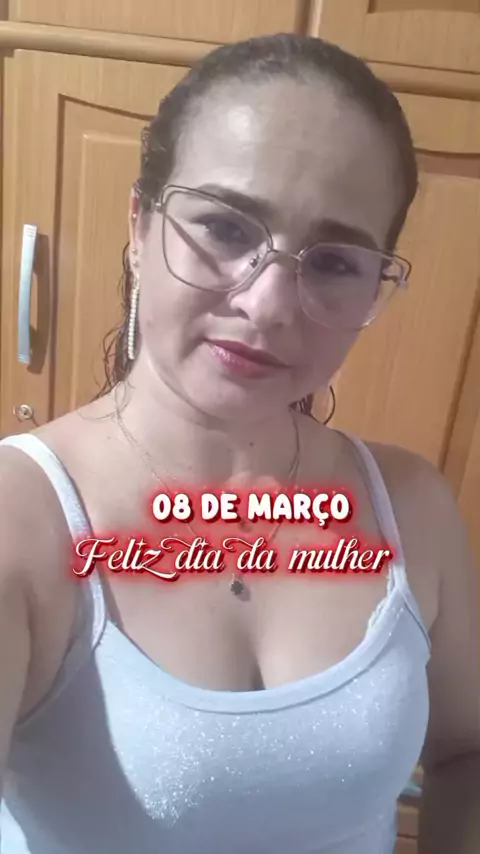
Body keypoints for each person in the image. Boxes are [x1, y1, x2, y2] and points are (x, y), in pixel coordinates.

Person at [0, 32, 478, 854]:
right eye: (225, 226)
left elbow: (467, 751)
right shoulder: (23, 521)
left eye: (333, 262)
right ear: (140, 226)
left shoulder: (411, 508)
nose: (267, 305)